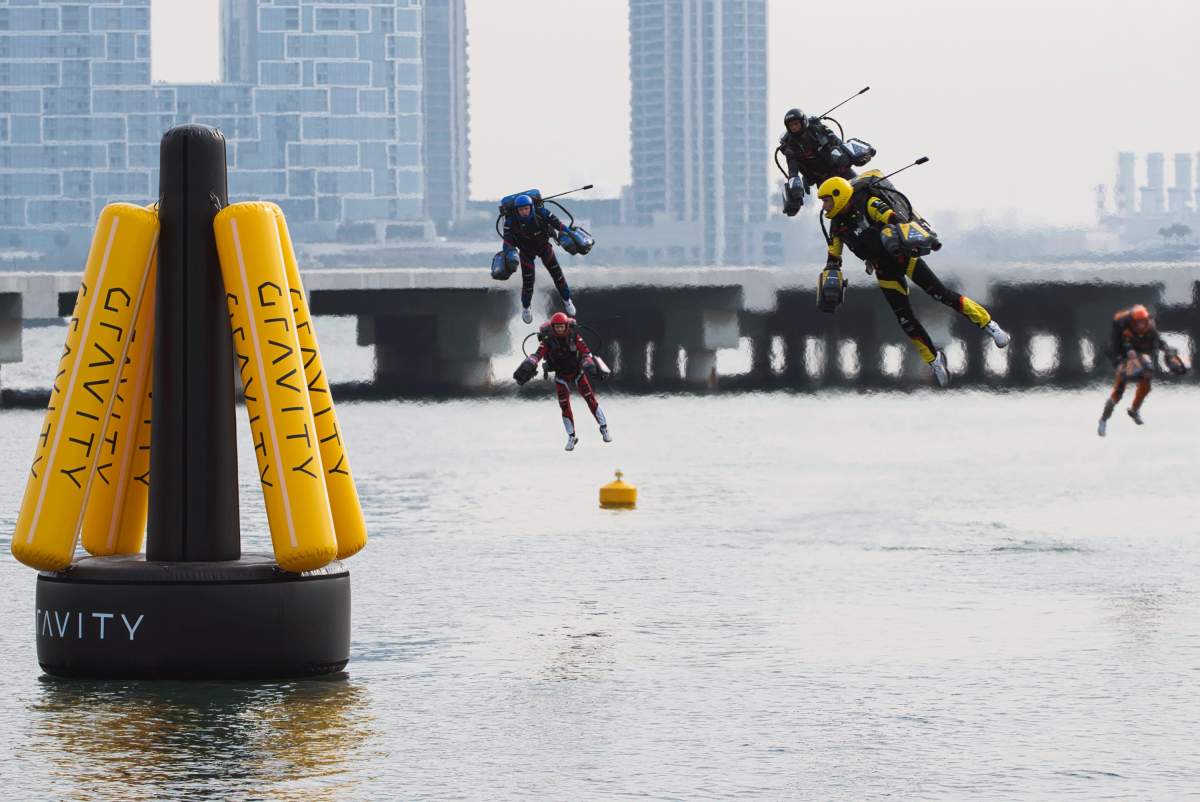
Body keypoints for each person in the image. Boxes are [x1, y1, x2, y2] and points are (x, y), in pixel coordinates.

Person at [816, 175, 1009, 387]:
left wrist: (895, 234)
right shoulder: (836, 227)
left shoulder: (868, 203)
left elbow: (894, 219)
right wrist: (830, 278)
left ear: (839, 195)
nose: (824, 207)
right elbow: (833, 258)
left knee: (941, 294)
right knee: (905, 319)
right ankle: (934, 362)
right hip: (883, 269)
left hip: (903, 258)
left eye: (827, 200)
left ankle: (990, 325)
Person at [513, 312, 611, 451]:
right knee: (564, 407)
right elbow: (538, 354)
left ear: (566, 326)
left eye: (562, 326)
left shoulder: (574, 336)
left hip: (577, 373)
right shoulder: (547, 340)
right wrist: (530, 363)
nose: (559, 329)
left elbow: (586, 352)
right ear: (553, 327)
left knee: (591, 400)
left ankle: (604, 429)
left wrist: (590, 364)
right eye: (557, 327)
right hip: (561, 377)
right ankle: (571, 437)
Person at [1097, 304, 1187, 436]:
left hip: (1140, 359)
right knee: (1118, 392)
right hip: (1126, 359)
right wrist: (1125, 359)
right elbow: (1125, 348)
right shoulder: (1125, 332)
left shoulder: (1151, 329)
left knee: (1147, 380)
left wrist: (1171, 357)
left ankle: (1134, 410)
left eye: (1143, 322)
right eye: (1137, 322)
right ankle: (1103, 420)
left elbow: (1161, 343)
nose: (1141, 325)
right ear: (1132, 322)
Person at [777, 107, 873, 216]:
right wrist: (795, 190)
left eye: (796, 124)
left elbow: (837, 143)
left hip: (841, 171)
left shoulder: (818, 130)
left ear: (803, 122)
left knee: (863, 193)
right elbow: (792, 171)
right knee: (836, 211)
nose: (794, 127)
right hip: (823, 181)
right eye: (791, 126)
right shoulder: (790, 147)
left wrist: (846, 155)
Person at [501, 194, 576, 324]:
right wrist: (510, 254)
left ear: (531, 207)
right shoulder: (511, 221)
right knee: (528, 283)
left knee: (557, 275)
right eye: (521, 210)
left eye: (526, 208)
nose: (524, 212)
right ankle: (526, 307)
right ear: (517, 210)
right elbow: (507, 242)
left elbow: (558, 224)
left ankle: (567, 300)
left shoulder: (542, 212)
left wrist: (570, 233)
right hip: (525, 252)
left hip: (544, 247)